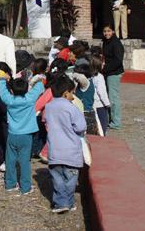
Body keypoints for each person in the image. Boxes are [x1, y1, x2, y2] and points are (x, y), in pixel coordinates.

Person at [44, 75, 87, 214]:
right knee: (70, 180)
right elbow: (81, 127)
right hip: (71, 152)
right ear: (66, 93)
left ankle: (61, 203)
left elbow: (45, 120)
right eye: (72, 93)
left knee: (58, 180)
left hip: (55, 151)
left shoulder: (49, 107)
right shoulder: (71, 108)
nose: (73, 97)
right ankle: (66, 202)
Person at [0, 72, 44, 195]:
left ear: (12, 91)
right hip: (26, 135)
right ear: (26, 90)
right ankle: (25, 187)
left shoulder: (9, 100)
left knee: (10, 160)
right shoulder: (30, 99)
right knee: (24, 162)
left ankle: (10, 184)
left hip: (12, 134)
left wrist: (3, 80)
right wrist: (37, 80)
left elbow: (2, 92)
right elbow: (40, 87)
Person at [102, 24, 125, 130]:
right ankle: (111, 119)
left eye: (109, 31)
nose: (107, 33)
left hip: (114, 73)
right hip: (107, 72)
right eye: (105, 31)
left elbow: (118, 60)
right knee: (108, 96)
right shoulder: (106, 42)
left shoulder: (116, 44)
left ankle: (116, 122)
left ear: (113, 31)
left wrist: (105, 69)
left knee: (113, 98)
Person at [91, 55, 110, 135]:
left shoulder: (89, 75)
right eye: (103, 62)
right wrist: (107, 103)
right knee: (102, 126)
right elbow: (102, 92)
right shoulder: (99, 77)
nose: (104, 64)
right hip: (100, 105)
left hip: (92, 104)